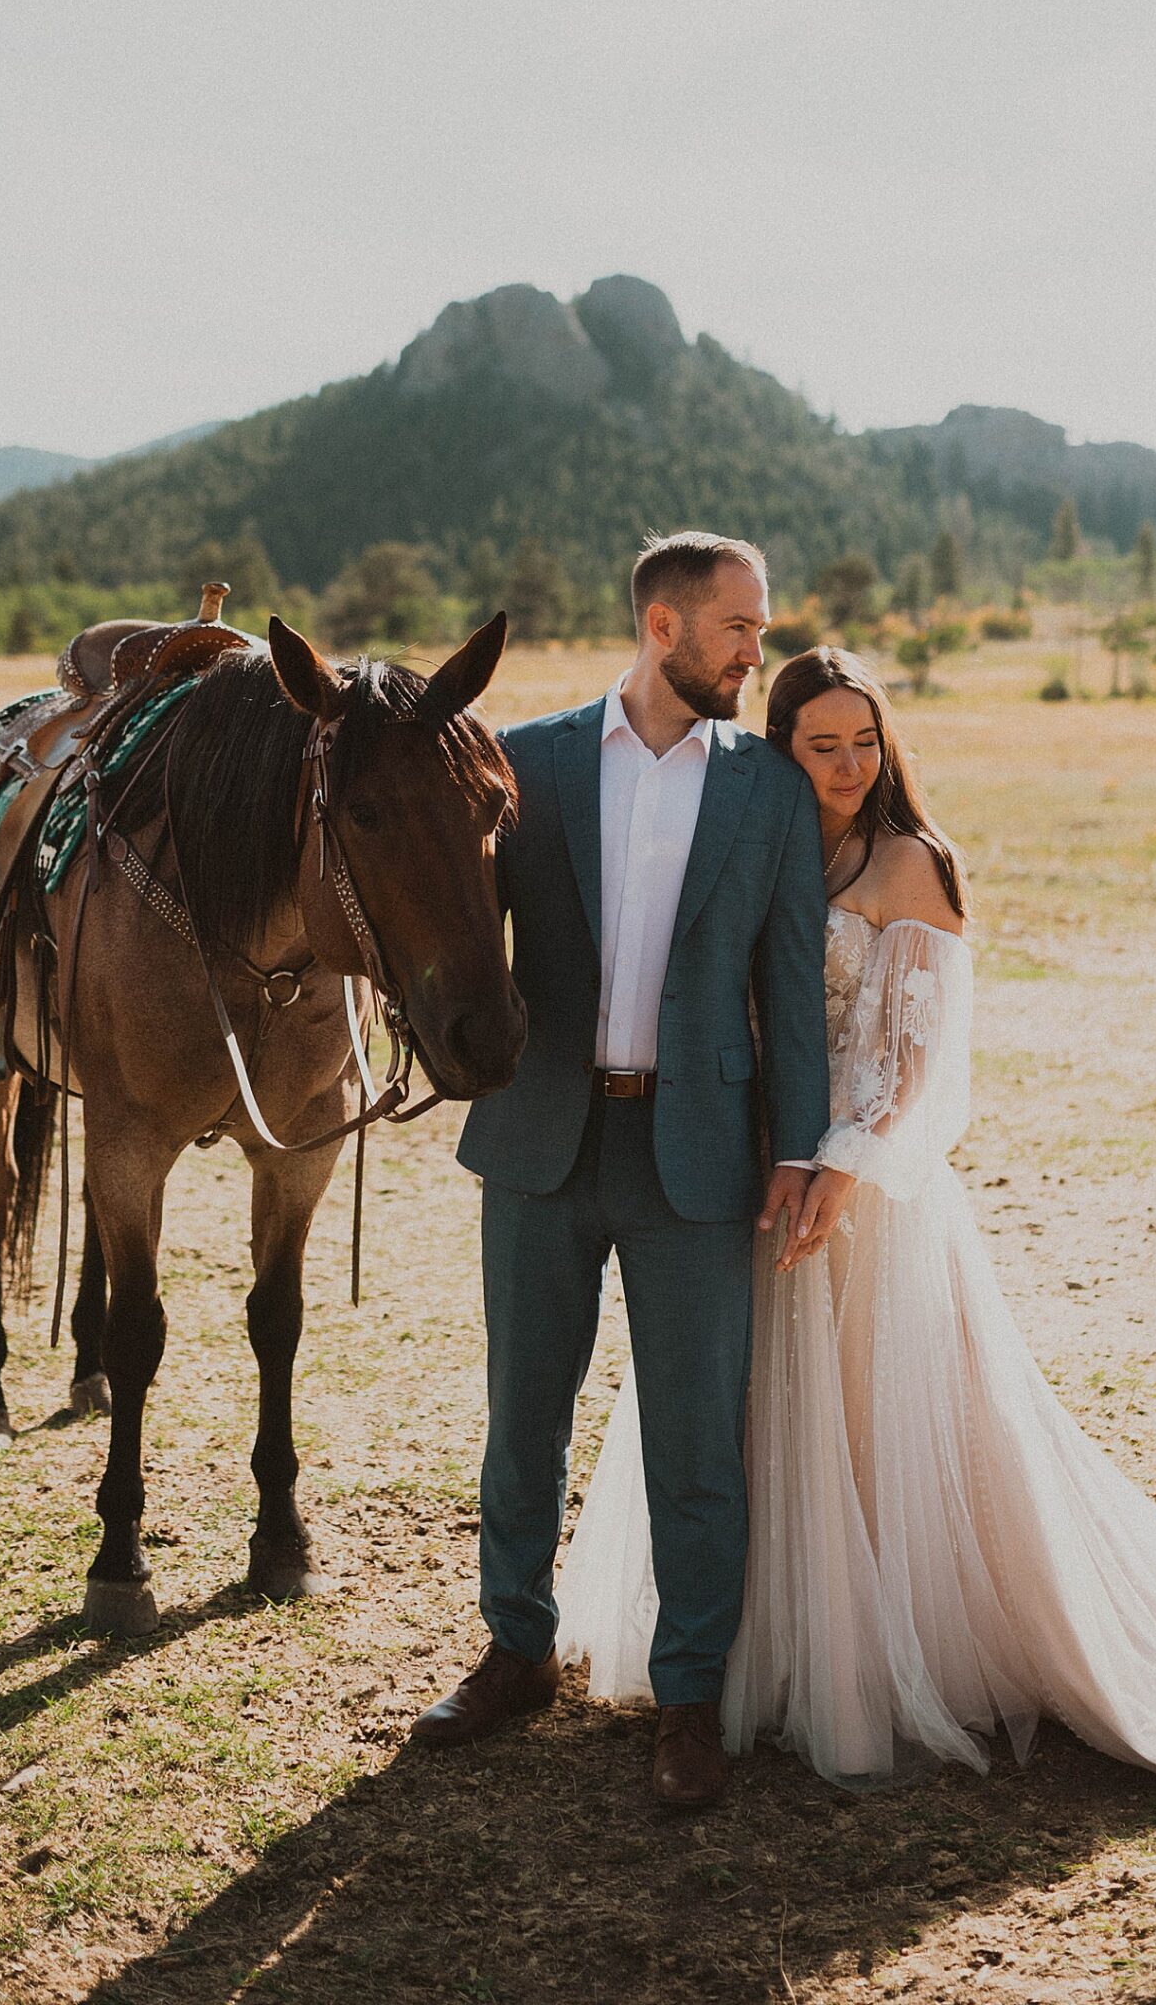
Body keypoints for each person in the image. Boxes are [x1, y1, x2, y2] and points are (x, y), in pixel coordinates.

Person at [559, 645, 1156, 1812]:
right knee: (745, 1418)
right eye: (820, 744)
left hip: (866, 1195)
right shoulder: (774, 848)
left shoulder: (910, 863)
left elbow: (920, 1065)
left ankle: (895, 1650)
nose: (847, 765)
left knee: (873, 1422)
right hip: (751, 1179)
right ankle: (748, 1651)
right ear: (779, 749)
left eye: (864, 741)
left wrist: (839, 1169)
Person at [411, 534, 830, 1807]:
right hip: (543, 1139)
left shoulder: (768, 789)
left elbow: (791, 986)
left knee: (699, 1439)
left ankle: (690, 1693)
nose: (759, 653)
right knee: (521, 1416)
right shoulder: (524, 764)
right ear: (661, 625)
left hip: (700, 1157)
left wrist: (802, 1147)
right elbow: (438, 915)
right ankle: (516, 1650)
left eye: (758, 629)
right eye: (738, 629)